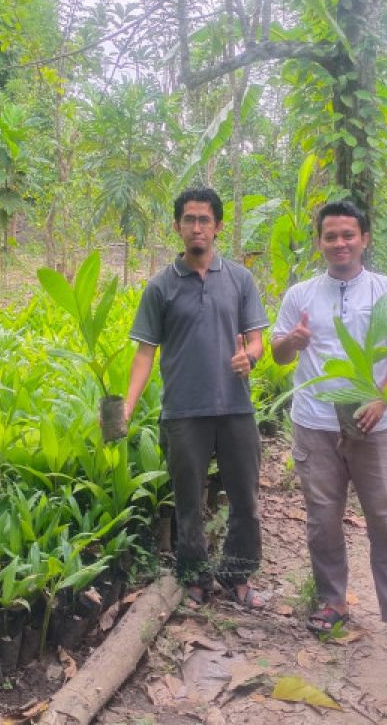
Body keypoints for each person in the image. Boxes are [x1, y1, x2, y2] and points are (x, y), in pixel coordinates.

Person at [271, 200, 387, 656]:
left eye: (349, 234)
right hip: (314, 423)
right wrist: (292, 341)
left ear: (364, 239)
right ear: (320, 243)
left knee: (386, 518)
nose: (340, 243)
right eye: (331, 236)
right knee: (322, 520)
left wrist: (382, 397)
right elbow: (279, 355)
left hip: (373, 423)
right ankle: (333, 603)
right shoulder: (300, 294)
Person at [123, 187, 268, 608]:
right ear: (177, 226)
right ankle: (193, 575)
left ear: (218, 227)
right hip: (183, 411)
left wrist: (250, 357)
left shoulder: (240, 279)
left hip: (236, 408)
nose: (197, 227)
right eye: (189, 219)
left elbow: (257, 339)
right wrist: (128, 406)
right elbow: (144, 353)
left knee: (246, 497)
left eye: (205, 220)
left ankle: (238, 575)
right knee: (188, 500)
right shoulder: (161, 287)